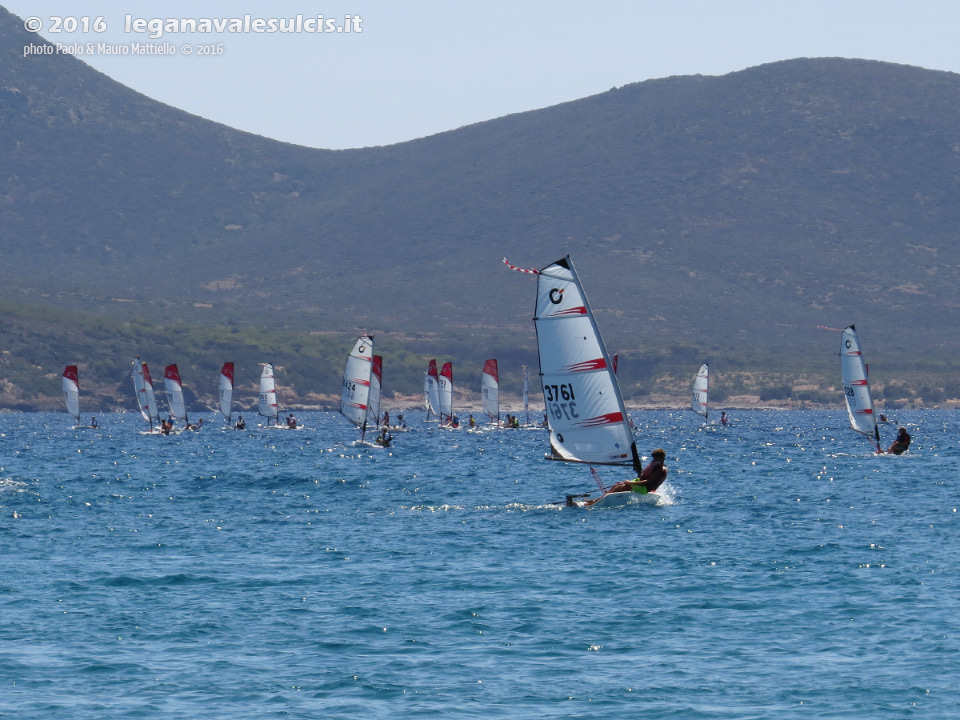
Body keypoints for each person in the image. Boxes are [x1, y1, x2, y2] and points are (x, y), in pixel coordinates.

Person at [585, 449, 669, 504]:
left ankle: (595, 502)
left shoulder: (661, 470)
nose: (653, 460)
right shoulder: (657, 466)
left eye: (655, 458)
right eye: (653, 458)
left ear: (662, 458)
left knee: (618, 488)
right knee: (617, 485)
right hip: (640, 484)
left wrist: (629, 482)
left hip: (645, 489)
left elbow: (647, 482)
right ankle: (596, 500)